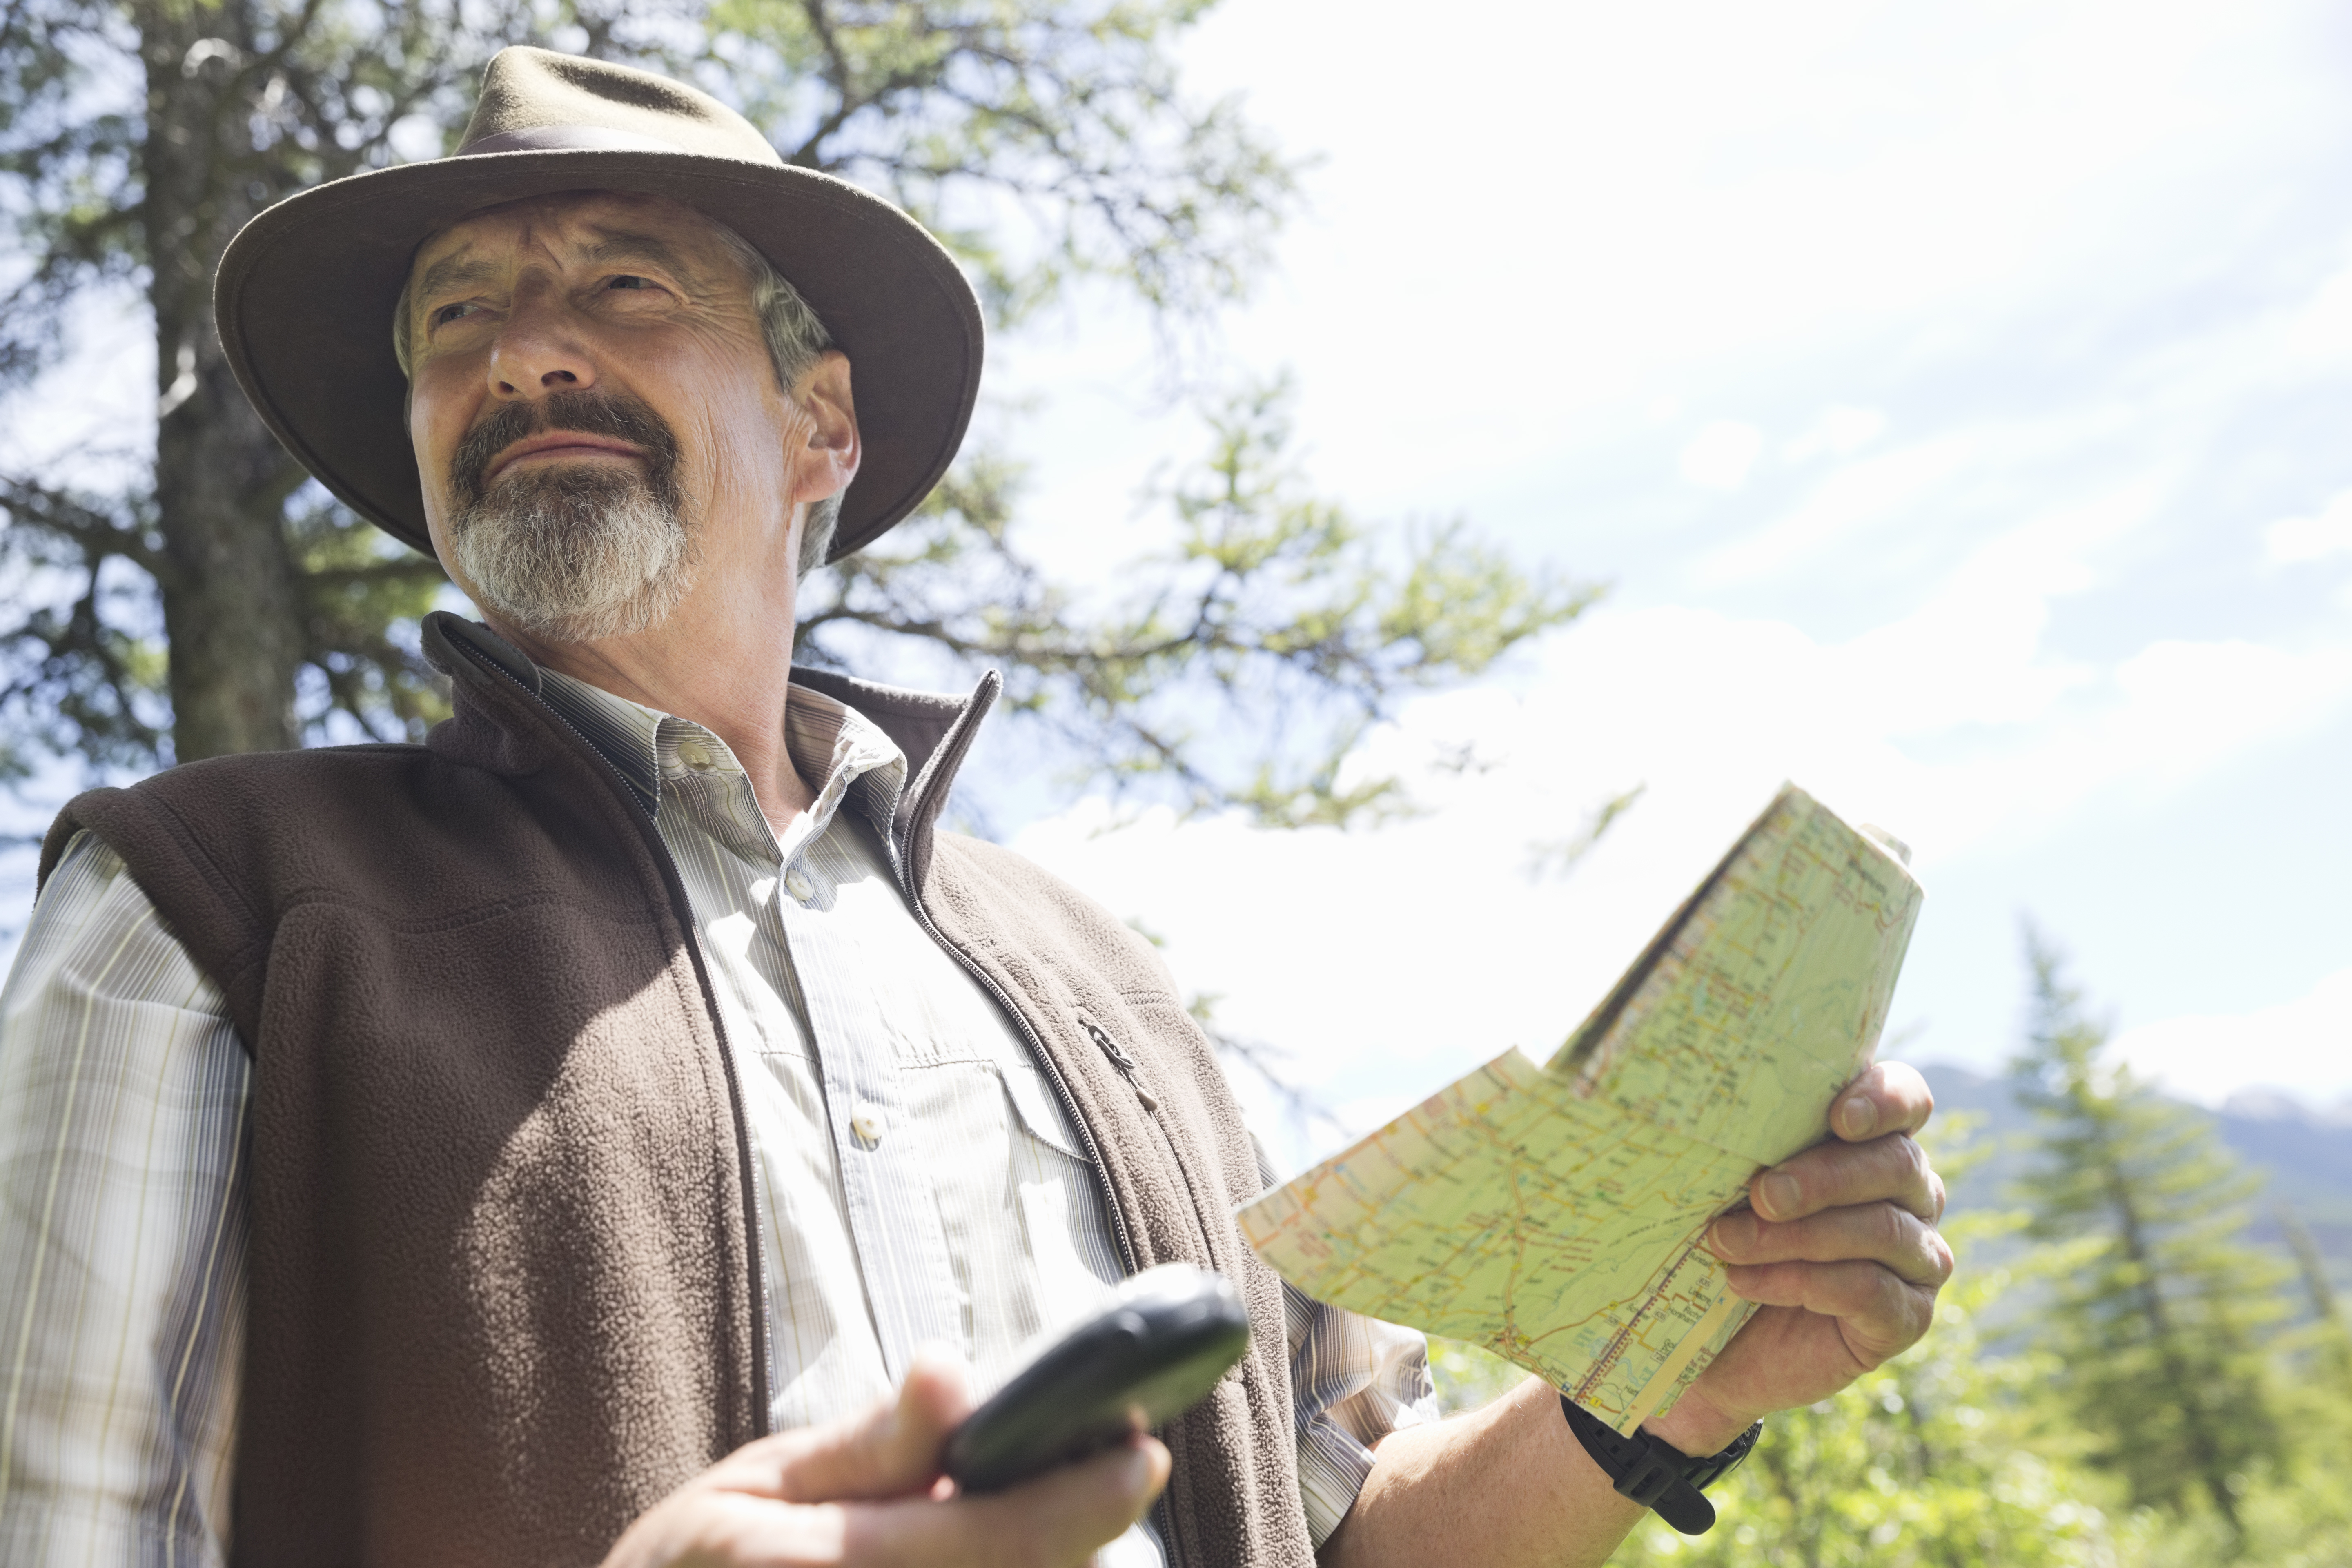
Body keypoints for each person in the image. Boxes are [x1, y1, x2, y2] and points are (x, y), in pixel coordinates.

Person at [0, 47, 1952, 1568]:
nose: (523, 348)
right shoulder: (213, 913)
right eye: (456, 320)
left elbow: (1341, 1524)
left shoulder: (1105, 987)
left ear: (822, 423)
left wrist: (1668, 1379)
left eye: (619, 280)